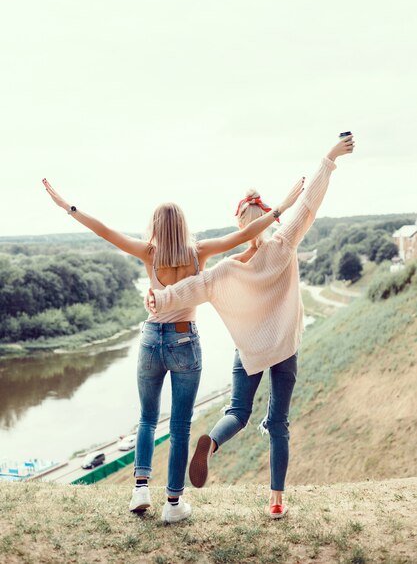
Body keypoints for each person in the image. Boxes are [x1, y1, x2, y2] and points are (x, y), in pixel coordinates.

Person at [42, 176, 304, 522]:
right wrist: (281, 209)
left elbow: (105, 231)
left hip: (152, 339)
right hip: (185, 341)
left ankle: (139, 488)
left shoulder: (148, 253)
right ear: (183, 226)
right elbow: (241, 237)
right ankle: (174, 504)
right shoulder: (199, 252)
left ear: (154, 227)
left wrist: (68, 207)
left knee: (147, 419)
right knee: (180, 425)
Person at [146, 135, 355, 518]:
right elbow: (309, 204)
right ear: (267, 217)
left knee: (238, 411)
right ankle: (276, 502)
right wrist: (328, 159)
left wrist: (161, 298)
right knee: (278, 423)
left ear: (240, 225)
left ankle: (211, 443)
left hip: (250, 352)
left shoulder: (229, 270)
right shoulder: (284, 243)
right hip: (285, 349)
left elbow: (196, 286)